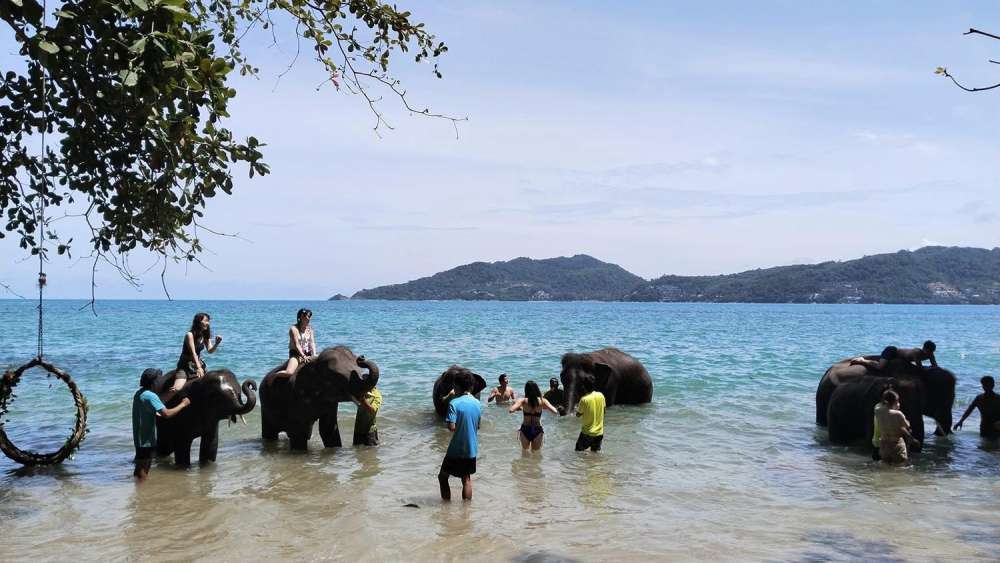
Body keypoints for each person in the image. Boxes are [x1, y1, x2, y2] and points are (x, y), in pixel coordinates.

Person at [133, 368, 192, 480]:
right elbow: (167, 414)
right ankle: (142, 493)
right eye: (159, 379)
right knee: (144, 468)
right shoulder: (151, 396)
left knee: (140, 466)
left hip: (139, 437)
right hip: (146, 440)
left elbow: (148, 409)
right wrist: (183, 404)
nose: (161, 381)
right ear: (154, 382)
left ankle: (138, 490)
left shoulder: (139, 394)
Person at [438, 372, 481, 501]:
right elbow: (478, 426)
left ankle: (446, 506)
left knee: (443, 477)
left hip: (456, 449)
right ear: (471, 387)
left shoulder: (454, 403)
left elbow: (451, 427)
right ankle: (466, 510)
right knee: (466, 479)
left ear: (457, 386)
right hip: (471, 448)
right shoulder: (477, 403)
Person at [164, 312, 222, 402]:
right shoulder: (190, 335)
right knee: (177, 388)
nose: (208, 323)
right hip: (185, 365)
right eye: (206, 321)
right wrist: (199, 368)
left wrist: (217, 344)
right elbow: (193, 353)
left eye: (209, 321)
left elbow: (210, 351)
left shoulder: (205, 335)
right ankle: (159, 406)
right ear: (198, 321)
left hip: (198, 364)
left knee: (211, 384)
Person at [508, 380, 560, 451]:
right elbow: (555, 411)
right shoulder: (542, 401)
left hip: (525, 429)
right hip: (537, 429)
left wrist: (521, 408)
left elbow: (511, 410)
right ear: (537, 389)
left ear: (526, 390)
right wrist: (544, 407)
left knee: (524, 453)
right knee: (536, 454)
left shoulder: (522, 400)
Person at [874, 388, 920, 464]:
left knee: (885, 466)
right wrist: (897, 409)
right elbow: (907, 425)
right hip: (896, 445)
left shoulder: (878, 411)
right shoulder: (898, 414)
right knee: (900, 468)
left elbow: (882, 407)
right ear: (895, 402)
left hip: (884, 445)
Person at [274, 308, 317, 379]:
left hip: (308, 353)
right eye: (307, 317)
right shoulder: (293, 329)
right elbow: (297, 344)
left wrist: (314, 354)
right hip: (296, 354)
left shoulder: (310, 329)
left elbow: (312, 343)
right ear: (301, 317)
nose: (309, 319)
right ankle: (274, 376)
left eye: (310, 317)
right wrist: (303, 356)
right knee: (289, 373)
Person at [954, 375, 1000, 439]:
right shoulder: (998, 398)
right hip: (995, 428)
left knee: (984, 446)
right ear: (993, 385)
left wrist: (961, 421)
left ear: (983, 386)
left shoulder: (979, 398)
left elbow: (969, 410)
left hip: (985, 427)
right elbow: (969, 410)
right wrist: (960, 421)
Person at [574, 375, 606, 452]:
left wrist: (576, 409)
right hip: (599, 433)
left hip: (587, 433)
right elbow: (604, 411)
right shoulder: (601, 395)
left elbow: (578, 415)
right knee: (595, 454)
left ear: (584, 386)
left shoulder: (584, 399)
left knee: (578, 452)